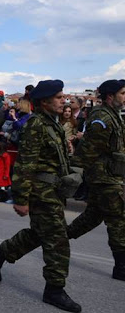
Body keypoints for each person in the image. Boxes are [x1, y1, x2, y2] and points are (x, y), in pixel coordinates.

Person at [0, 80, 82, 313]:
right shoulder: (36, 124)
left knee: (40, 233)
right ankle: (55, 290)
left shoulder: (53, 123)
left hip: (53, 191)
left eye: (63, 96)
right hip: (41, 192)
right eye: (58, 97)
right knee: (57, 240)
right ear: (44, 101)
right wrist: (21, 198)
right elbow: (25, 164)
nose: (64, 100)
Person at [66, 79, 125, 281]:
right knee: (118, 220)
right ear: (110, 96)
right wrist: (76, 174)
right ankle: (121, 267)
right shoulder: (102, 118)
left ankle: (54, 238)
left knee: (90, 219)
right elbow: (89, 151)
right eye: (123, 93)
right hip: (104, 178)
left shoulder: (113, 116)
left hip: (110, 176)